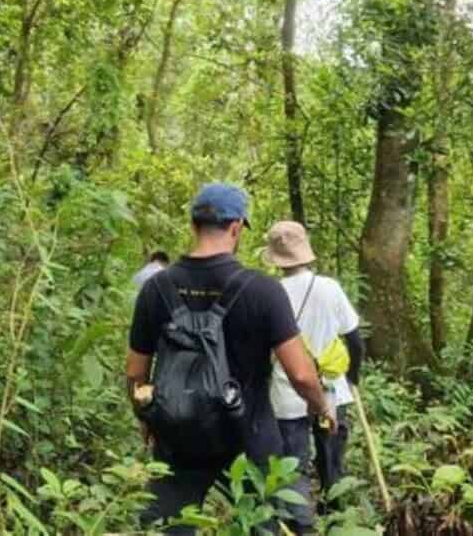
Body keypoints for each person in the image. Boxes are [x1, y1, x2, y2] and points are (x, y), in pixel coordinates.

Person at [125, 183, 335, 534]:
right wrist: (322, 406)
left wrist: (147, 418)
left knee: (169, 526)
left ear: (193, 226)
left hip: (179, 435)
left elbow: (135, 373)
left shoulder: (155, 289)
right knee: (261, 523)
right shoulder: (262, 290)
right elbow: (300, 374)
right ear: (237, 227)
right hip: (249, 434)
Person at [261, 220, 365, 519]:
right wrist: (353, 376)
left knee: (293, 465)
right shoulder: (329, 288)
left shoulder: (271, 293)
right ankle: (336, 520)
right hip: (331, 391)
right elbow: (355, 339)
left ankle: (298, 523)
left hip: (287, 394)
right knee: (332, 462)